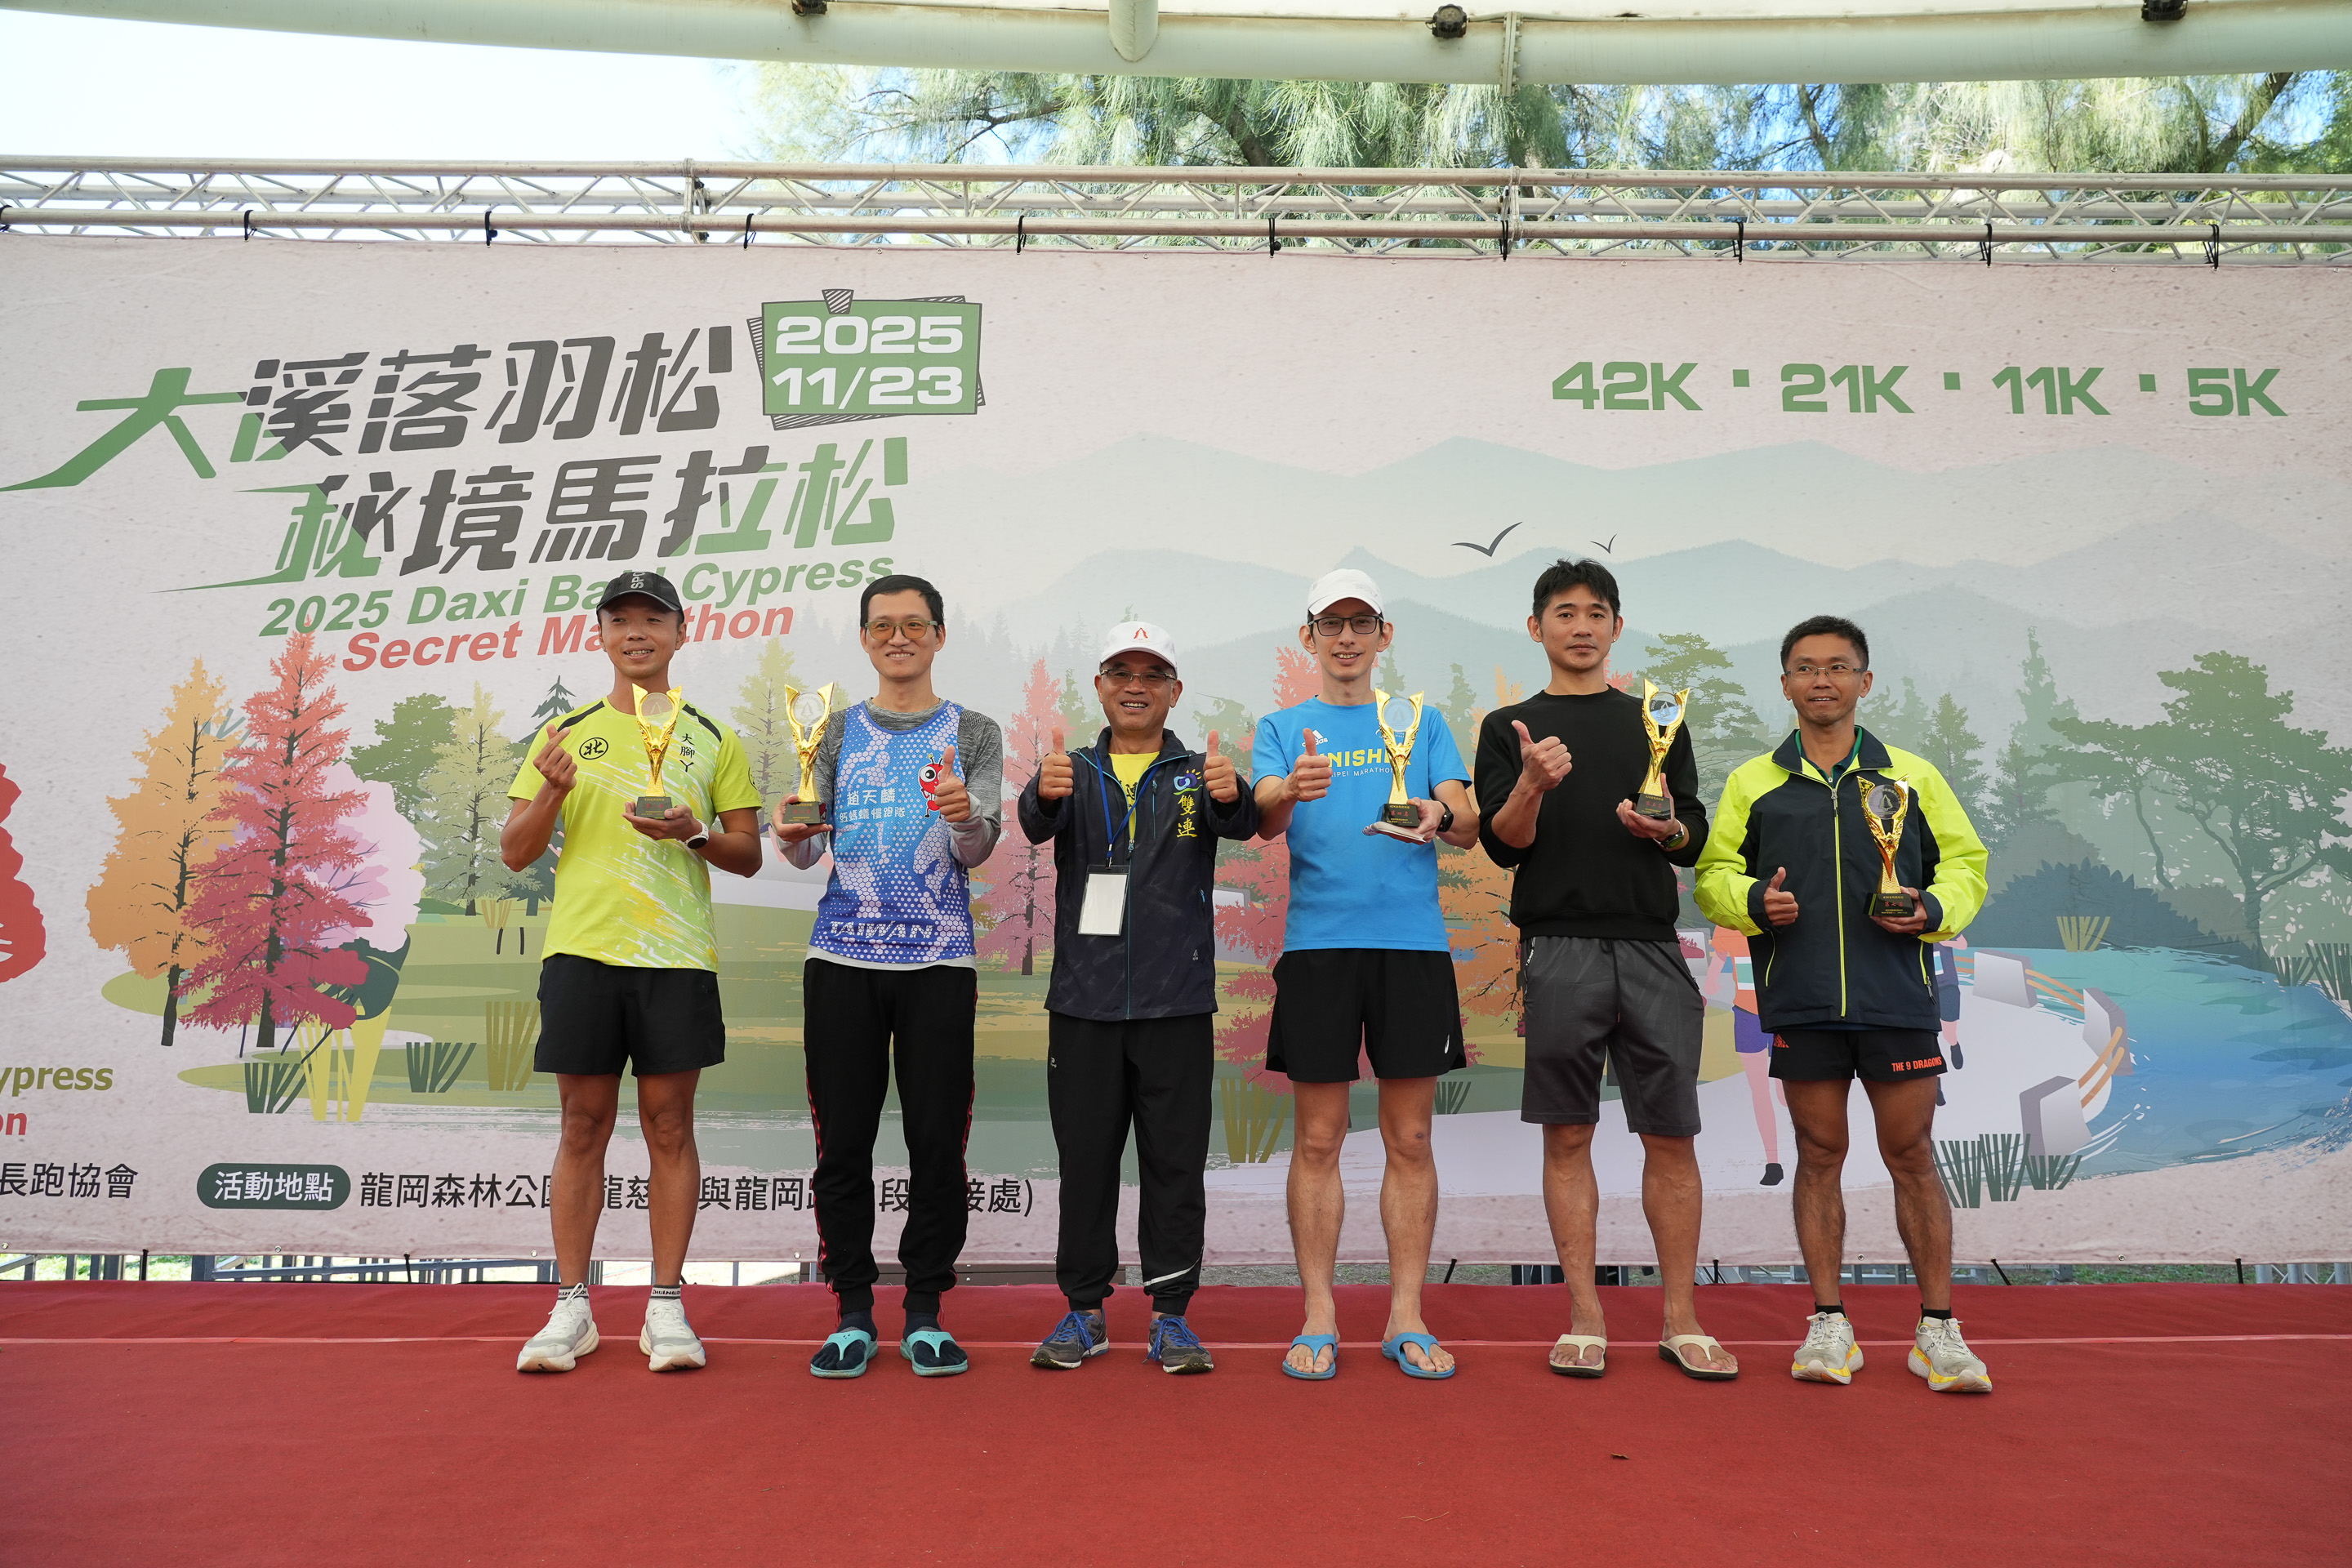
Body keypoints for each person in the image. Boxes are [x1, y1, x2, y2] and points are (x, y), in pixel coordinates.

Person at [1695, 614, 1992, 1393]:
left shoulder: (1913, 776)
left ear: (1865, 680)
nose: (1821, 679)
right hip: (1802, 1002)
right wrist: (1752, 901)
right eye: (1805, 667)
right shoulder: (1753, 783)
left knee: (1912, 1155)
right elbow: (1714, 875)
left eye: (1837, 666)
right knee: (1819, 1155)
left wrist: (1933, 908)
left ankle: (1939, 1331)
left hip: (1897, 997)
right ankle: (1829, 1324)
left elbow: (1966, 864)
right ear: (1785, 683)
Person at [1472, 558, 1737, 1382]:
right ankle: (1585, 1317)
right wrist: (1531, 783)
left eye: (1596, 612)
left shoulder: (1657, 718)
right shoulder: (1509, 726)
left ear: (1617, 627)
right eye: (1564, 612)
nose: (1581, 626)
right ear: (1536, 627)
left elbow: (1691, 833)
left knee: (1671, 1136)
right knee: (1568, 1133)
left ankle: (1682, 1320)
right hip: (1557, 945)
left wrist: (1665, 832)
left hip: (1653, 944)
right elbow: (1504, 845)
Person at [504, 569, 765, 1374]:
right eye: (620, 621)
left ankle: (666, 1306)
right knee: (581, 1126)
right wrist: (549, 796)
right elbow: (515, 852)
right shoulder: (565, 733)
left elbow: (748, 855)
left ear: (681, 633)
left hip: (675, 957)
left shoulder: (712, 737)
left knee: (670, 1127)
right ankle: (571, 1307)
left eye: (653, 619)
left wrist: (692, 834)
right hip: (582, 953)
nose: (636, 633)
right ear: (601, 636)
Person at [772, 573, 1004, 1379]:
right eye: (882, 626)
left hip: (938, 960)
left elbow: (980, 849)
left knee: (937, 1143)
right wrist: (791, 832)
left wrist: (962, 815)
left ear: (939, 635)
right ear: (865, 639)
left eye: (913, 624)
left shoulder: (973, 732)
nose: (897, 638)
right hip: (842, 958)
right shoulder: (835, 731)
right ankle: (852, 1312)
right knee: (844, 1144)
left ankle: (927, 1311)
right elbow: (808, 850)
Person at [1254, 568, 1481, 1381]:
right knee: (1317, 1139)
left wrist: (1439, 813)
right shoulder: (1282, 727)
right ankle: (1319, 1316)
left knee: (1410, 1139)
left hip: (1411, 949)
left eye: (1361, 624)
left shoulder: (1420, 721)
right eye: (1331, 624)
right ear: (1308, 636)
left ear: (1384, 635)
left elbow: (1467, 823)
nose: (1346, 638)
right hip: (1319, 950)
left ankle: (1406, 1316)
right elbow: (1264, 816)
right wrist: (1291, 787)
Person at [1017, 622, 1258, 1374]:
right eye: (1120, 672)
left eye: (1152, 674)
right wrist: (1041, 791)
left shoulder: (1197, 772)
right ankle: (1084, 1312)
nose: (1135, 685)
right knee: (1086, 1165)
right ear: (1100, 686)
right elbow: (1033, 824)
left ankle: (1171, 1318)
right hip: (1082, 1005)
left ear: (1174, 691)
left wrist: (1232, 794)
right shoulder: (1073, 769)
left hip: (1175, 1002)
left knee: (1175, 1166)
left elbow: (1241, 822)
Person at [1704, 924, 1786, 1187]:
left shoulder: (1782, 920)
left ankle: (1807, 1151)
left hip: (1781, 1014)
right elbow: (1717, 962)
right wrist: (1711, 980)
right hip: (1747, 1016)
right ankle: (1773, 1163)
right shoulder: (1728, 926)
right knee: (1760, 1091)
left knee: (1785, 1093)